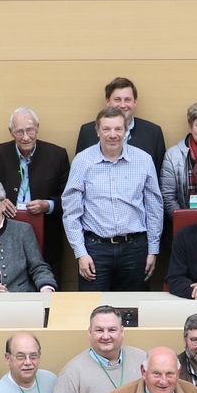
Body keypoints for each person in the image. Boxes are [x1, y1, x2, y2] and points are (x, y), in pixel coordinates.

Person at [62, 107, 164, 291]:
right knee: (91, 309)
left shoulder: (144, 160)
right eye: (106, 129)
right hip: (95, 249)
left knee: (132, 311)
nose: (112, 135)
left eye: (118, 129)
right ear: (97, 131)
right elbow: (71, 212)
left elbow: (154, 208)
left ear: (126, 131)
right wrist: (80, 253)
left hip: (135, 248)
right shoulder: (82, 161)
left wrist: (153, 250)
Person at [0, 107, 71, 283]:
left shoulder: (57, 155)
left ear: (37, 127)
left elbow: (69, 198)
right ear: (11, 132)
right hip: (4, 232)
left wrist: (47, 205)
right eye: (19, 131)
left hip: (46, 233)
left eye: (30, 130)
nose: (26, 137)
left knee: (47, 284)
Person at [75, 76, 167, 175]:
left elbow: (158, 176)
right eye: (117, 99)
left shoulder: (153, 132)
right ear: (107, 102)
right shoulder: (87, 132)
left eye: (127, 100)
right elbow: (79, 171)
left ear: (135, 102)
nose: (123, 105)